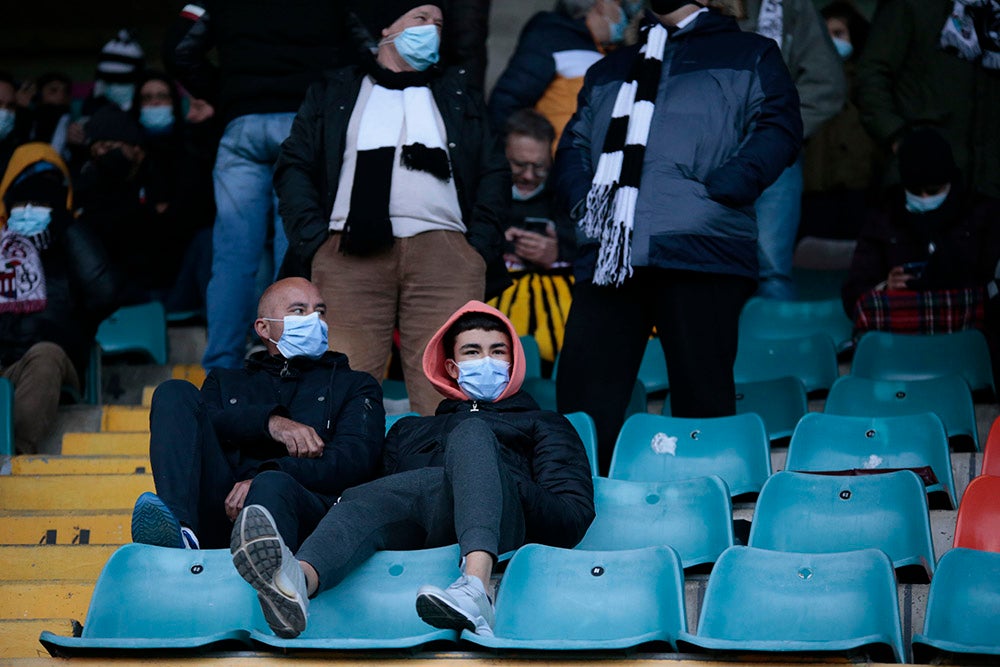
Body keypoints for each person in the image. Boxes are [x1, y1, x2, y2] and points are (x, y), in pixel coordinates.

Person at [229, 301, 595, 638]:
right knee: (362, 495)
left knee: (471, 435)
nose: (486, 360)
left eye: (497, 351)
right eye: (472, 351)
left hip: (507, 526)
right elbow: (374, 501)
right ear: (452, 367)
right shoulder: (410, 430)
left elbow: (571, 518)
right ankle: (298, 583)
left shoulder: (546, 424)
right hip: (424, 522)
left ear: (513, 362)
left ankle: (476, 587)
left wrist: (495, 478)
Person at [552, 0, 801, 472]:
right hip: (611, 251)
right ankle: (577, 513)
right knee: (584, 402)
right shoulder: (612, 66)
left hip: (700, 248)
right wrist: (586, 201)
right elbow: (575, 145)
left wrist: (724, 188)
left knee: (701, 399)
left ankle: (699, 520)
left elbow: (780, 127)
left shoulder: (751, 52)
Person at [275, 2, 509, 416]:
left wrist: (478, 247)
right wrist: (315, 242)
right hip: (348, 254)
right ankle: (342, 481)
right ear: (385, 26)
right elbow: (294, 164)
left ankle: (445, 478)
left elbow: (494, 170)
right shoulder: (337, 89)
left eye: (438, 24)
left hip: (446, 254)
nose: (431, 30)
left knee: (448, 390)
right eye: (420, 19)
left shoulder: (458, 92)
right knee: (340, 388)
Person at [164, 0, 354, 372]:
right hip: (305, 126)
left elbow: (179, 48)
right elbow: (364, 50)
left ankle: (221, 368)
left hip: (243, 125)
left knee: (232, 256)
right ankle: (290, 363)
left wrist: (229, 94)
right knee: (295, 251)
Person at [131, 277, 385, 550]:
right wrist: (270, 423)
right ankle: (180, 536)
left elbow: (356, 460)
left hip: (302, 515)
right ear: (263, 328)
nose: (314, 319)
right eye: (299, 311)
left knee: (272, 485)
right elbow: (204, 425)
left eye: (320, 311)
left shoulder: (356, 385)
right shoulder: (225, 380)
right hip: (225, 509)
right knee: (174, 392)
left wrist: (266, 475)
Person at [706, 0, 844, 299]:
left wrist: (776, 131)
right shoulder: (690, 6)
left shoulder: (792, 5)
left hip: (772, 159)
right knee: (697, 270)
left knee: (770, 273)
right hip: (698, 155)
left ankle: (775, 346)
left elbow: (827, 83)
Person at [0, 143, 120, 454]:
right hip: (4, 363)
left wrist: (67, 227)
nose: (28, 212)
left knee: (46, 353)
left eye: (40, 203)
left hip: (51, 363)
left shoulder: (70, 246)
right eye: (21, 203)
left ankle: (16, 452)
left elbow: (105, 291)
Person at [842, 129, 1000, 334]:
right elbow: (853, 293)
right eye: (916, 192)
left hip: (969, 335)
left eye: (933, 191)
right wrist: (885, 286)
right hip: (901, 336)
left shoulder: (982, 214)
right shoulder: (884, 218)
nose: (925, 198)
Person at [856, 0, 1000, 205]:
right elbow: (871, 75)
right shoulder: (914, 5)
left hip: (988, 185)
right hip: (921, 180)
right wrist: (897, 138)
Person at [491, 109, 575, 366]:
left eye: (538, 167)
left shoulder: (565, 190)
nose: (528, 176)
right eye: (518, 165)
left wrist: (558, 249)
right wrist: (497, 243)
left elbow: (593, 238)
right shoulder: (484, 189)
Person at [799, 0, 881, 242]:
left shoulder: (866, 83)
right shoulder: (805, 83)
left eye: (838, 33)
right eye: (824, 33)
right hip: (814, 189)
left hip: (858, 189)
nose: (830, 40)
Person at [488, 0, 627, 142]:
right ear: (601, 5)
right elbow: (506, 102)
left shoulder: (605, 51)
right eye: (620, 5)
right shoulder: (552, 37)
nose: (624, 15)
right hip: (557, 159)